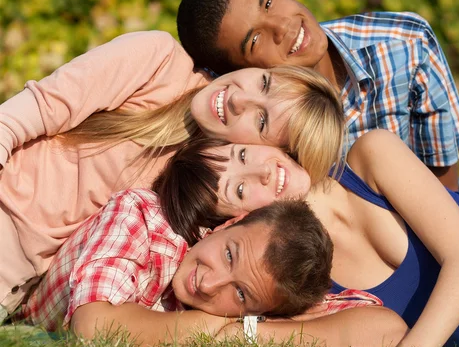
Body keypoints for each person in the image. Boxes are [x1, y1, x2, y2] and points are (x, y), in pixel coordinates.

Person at [0, 30, 344, 322]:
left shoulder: (209, 197)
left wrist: (293, 179)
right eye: (265, 82)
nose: (240, 98)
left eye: (262, 122)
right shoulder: (160, 61)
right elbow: (24, 115)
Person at [159, 132, 459, 347]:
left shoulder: (370, 158)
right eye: (241, 190)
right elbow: (378, 331)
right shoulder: (300, 281)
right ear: (239, 219)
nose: (263, 172)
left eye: (243, 155)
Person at [177, 0, 459, 195]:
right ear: (236, 74)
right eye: (255, 41)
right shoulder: (244, 136)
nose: (282, 26)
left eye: (269, 2)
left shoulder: (405, 44)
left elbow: (446, 183)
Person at [15, 192, 407, 347]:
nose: (209, 282)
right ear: (227, 224)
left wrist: (247, 335)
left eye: (240, 295)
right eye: (228, 254)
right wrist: (208, 330)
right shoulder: (145, 217)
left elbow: (386, 329)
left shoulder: (265, 306)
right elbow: (94, 328)